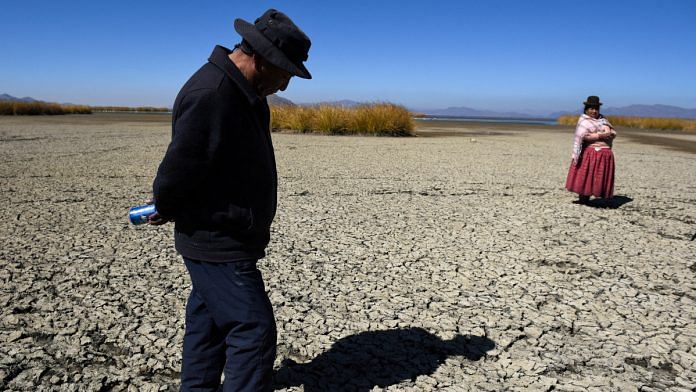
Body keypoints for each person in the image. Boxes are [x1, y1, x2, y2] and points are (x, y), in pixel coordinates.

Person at [147, 9, 312, 391]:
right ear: (261, 57)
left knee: (208, 323)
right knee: (253, 331)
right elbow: (179, 168)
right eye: (284, 72)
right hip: (218, 238)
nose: (285, 85)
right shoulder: (214, 94)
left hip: (225, 232)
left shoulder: (241, 91)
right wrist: (166, 204)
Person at [565, 95, 617, 204]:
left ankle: (600, 196)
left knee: (598, 175)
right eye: (591, 109)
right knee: (586, 174)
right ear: (586, 109)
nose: (594, 111)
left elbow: (613, 133)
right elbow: (584, 136)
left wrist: (609, 134)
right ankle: (583, 198)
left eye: (596, 109)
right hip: (590, 152)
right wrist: (601, 135)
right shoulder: (584, 121)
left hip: (605, 153)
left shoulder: (603, 120)